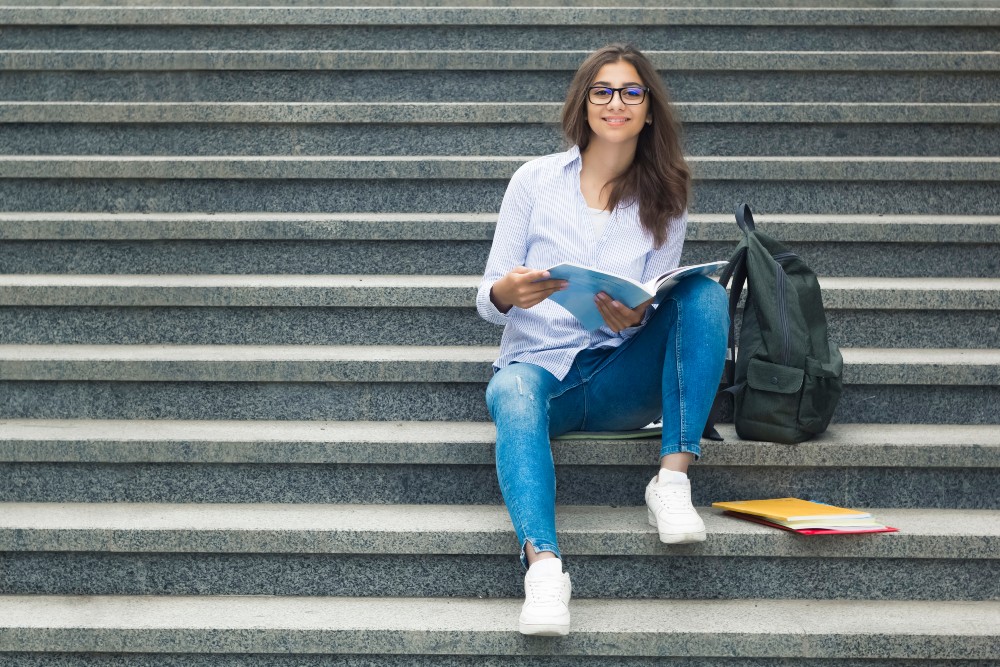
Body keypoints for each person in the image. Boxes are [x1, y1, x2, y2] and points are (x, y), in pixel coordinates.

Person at [475, 44, 730, 636]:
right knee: (511, 392)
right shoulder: (534, 181)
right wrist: (509, 292)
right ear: (584, 103)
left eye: (631, 92)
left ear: (649, 110)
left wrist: (633, 319)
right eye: (603, 91)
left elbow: (654, 292)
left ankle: (671, 480)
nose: (616, 103)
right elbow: (485, 295)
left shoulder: (665, 197)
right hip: (539, 370)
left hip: (618, 376)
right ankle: (544, 570)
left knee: (704, 293)